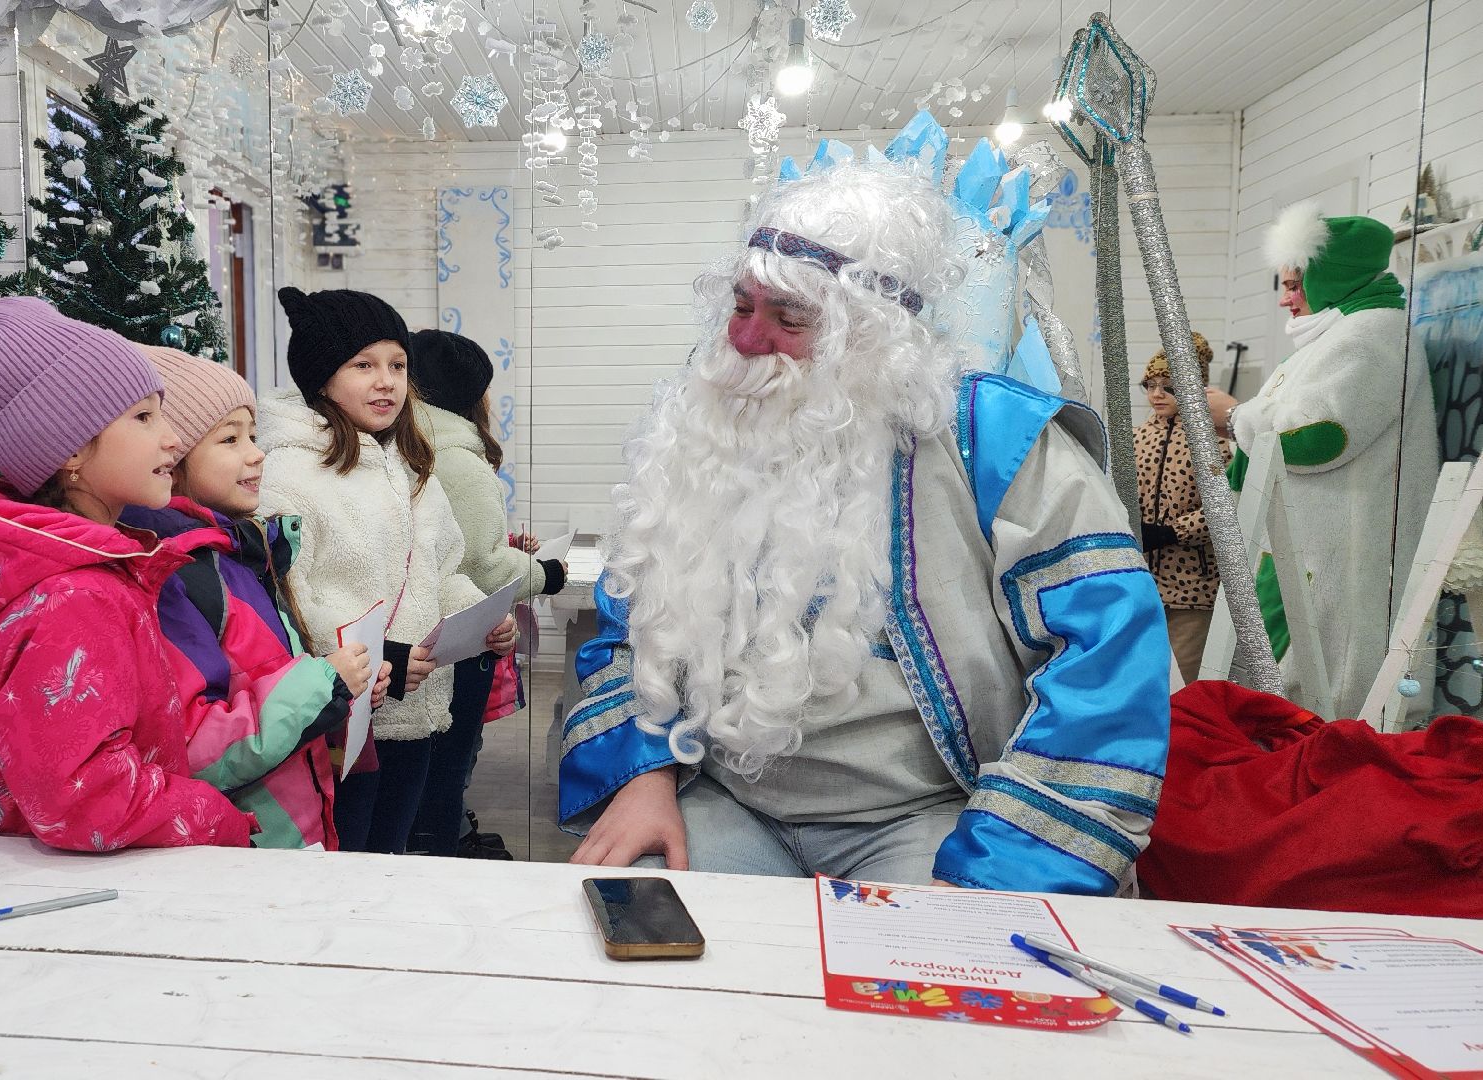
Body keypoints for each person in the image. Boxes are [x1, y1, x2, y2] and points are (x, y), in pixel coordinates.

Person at [558, 153, 1171, 895]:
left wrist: (1003, 866)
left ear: (875, 337)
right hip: (725, 802)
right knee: (633, 936)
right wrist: (643, 778)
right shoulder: (700, 438)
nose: (748, 342)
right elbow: (630, 629)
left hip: (936, 817)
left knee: (922, 986)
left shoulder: (993, 440)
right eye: (742, 308)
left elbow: (1107, 657)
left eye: (790, 320)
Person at [0, 297, 253, 850]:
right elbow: (87, 798)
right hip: (15, 893)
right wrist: (215, 817)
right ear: (69, 453)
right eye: (143, 417)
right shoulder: (75, 595)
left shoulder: (69, 569)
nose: (173, 438)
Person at [256, 287, 506, 854]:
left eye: (397, 364)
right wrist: (380, 654)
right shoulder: (289, 475)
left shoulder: (408, 464)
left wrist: (480, 617)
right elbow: (288, 597)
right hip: (346, 719)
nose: (386, 380)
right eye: (363, 365)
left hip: (416, 709)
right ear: (321, 378)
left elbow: (443, 565)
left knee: (392, 859)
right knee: (349, 863)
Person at [119, 345, 389, 850]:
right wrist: (322, 683)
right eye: (229, 439)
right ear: (171, 461)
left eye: (254, 435)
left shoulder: (240, 553)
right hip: (240, 847)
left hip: (286, 830)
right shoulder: (176, 577)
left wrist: (339, 691)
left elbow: (265, 677)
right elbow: (193, 747)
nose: (256, 453)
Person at [1204, 204, 1437, 716]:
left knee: (1327, 690)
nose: (1286, 299)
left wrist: (1236, 414)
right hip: (1300, 544)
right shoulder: (1329, 339)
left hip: (1340, 549)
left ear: (1333, 275)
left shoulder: (1373, 335)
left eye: (1295, 284)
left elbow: (1320, 435)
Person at [407, 329, 565, 859]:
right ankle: (443, 844)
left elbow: (461, 544)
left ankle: (438, 833)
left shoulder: (419, 447)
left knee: (431, 758)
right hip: (460, 636)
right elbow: (482, 564)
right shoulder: (457, 460)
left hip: (426, 632)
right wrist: (545, 573)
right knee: (450, 755)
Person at [1135, 333, 1231, 679]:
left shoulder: (1213, 440)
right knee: (1146, 673)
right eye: (1151, 385)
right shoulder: (1137, 437)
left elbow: (1224, 506)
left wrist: (1173, 531)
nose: (1157, 394)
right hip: (1143, 579)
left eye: (1169, 386)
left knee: (1185, 678)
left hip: (1193, 583)